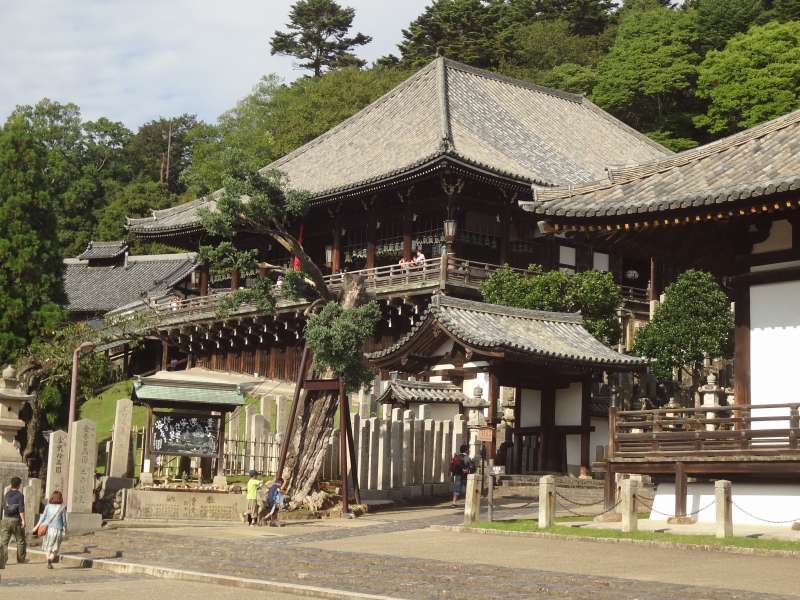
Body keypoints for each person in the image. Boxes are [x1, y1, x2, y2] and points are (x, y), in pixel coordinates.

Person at [1, 476, 27, 574]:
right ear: (19, 485)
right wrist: (23, 520)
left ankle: (3, 559)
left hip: (6, 519)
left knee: (4, 541)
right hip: (15, 520)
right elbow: (21, 509)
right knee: (20, 540)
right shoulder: (20, 495)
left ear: (11, 484)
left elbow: (4, 506)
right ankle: (20, 559)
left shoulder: (7, 494)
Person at [34, 490, 67, 569]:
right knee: (55, 548)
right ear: (60, 498)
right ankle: (50, 559)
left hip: (48, 529)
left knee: (47, 546)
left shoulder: (48, 506)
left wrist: (36, 526)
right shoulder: (62, 507)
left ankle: (48, 559)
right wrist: (65, 529)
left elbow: (43, 517)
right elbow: (64, 520)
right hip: (58, 530)